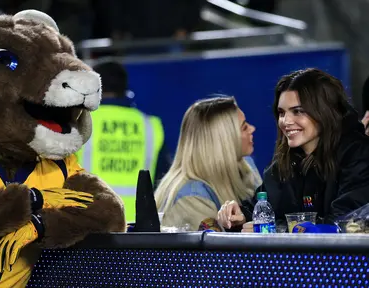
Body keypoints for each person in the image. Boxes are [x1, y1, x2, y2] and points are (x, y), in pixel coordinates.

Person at [218, 68, 369, 232]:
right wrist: (240, 216)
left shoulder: (359, 155)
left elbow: (343, 225)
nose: (285, 121)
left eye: (298, 111)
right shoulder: (284, 163)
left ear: (324, 112)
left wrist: (275, 229)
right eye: (281, 112)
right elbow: (261, 209)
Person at [76, 60, 171, 223]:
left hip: (89, 222)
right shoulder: (150, 126)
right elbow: (163, 179)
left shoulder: (80, 121)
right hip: (137, 227)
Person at [154, 96, 262, 231]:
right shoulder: (191, 198)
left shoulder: (247, 167)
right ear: (224, 140)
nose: (252, 128)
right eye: (244, 127)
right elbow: (218, 251)